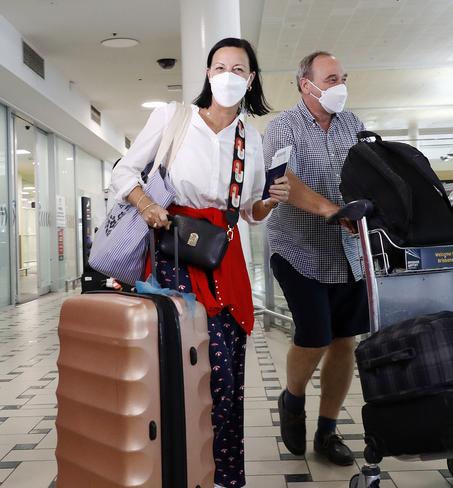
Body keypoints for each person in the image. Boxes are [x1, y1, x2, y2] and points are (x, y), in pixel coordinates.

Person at [110, 38, 290, 488]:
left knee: (225, 380)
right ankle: (175, 471)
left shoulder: (252, 138)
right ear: (208, 74)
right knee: (177, 373)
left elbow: (248, 209)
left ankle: (225, 477)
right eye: (219, 66)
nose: (227, 75)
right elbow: (123, 172)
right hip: (173, 261)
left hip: (225, 264)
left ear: (250, 80)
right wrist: (148, 206)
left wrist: (268, 204)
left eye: (238, 69)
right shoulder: (173, 119)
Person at [262, 51, 370, 467]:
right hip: (297, 249)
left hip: (348, 252)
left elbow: (368, 173)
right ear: (305, 84)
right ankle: (292, 397)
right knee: (315, 335)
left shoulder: (353, 125)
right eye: (330, 78)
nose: (338, 86)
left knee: (345, 340)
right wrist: (330, 210)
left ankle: (327, 430)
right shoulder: (282, 128)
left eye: (342, 77)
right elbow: (281, 181)